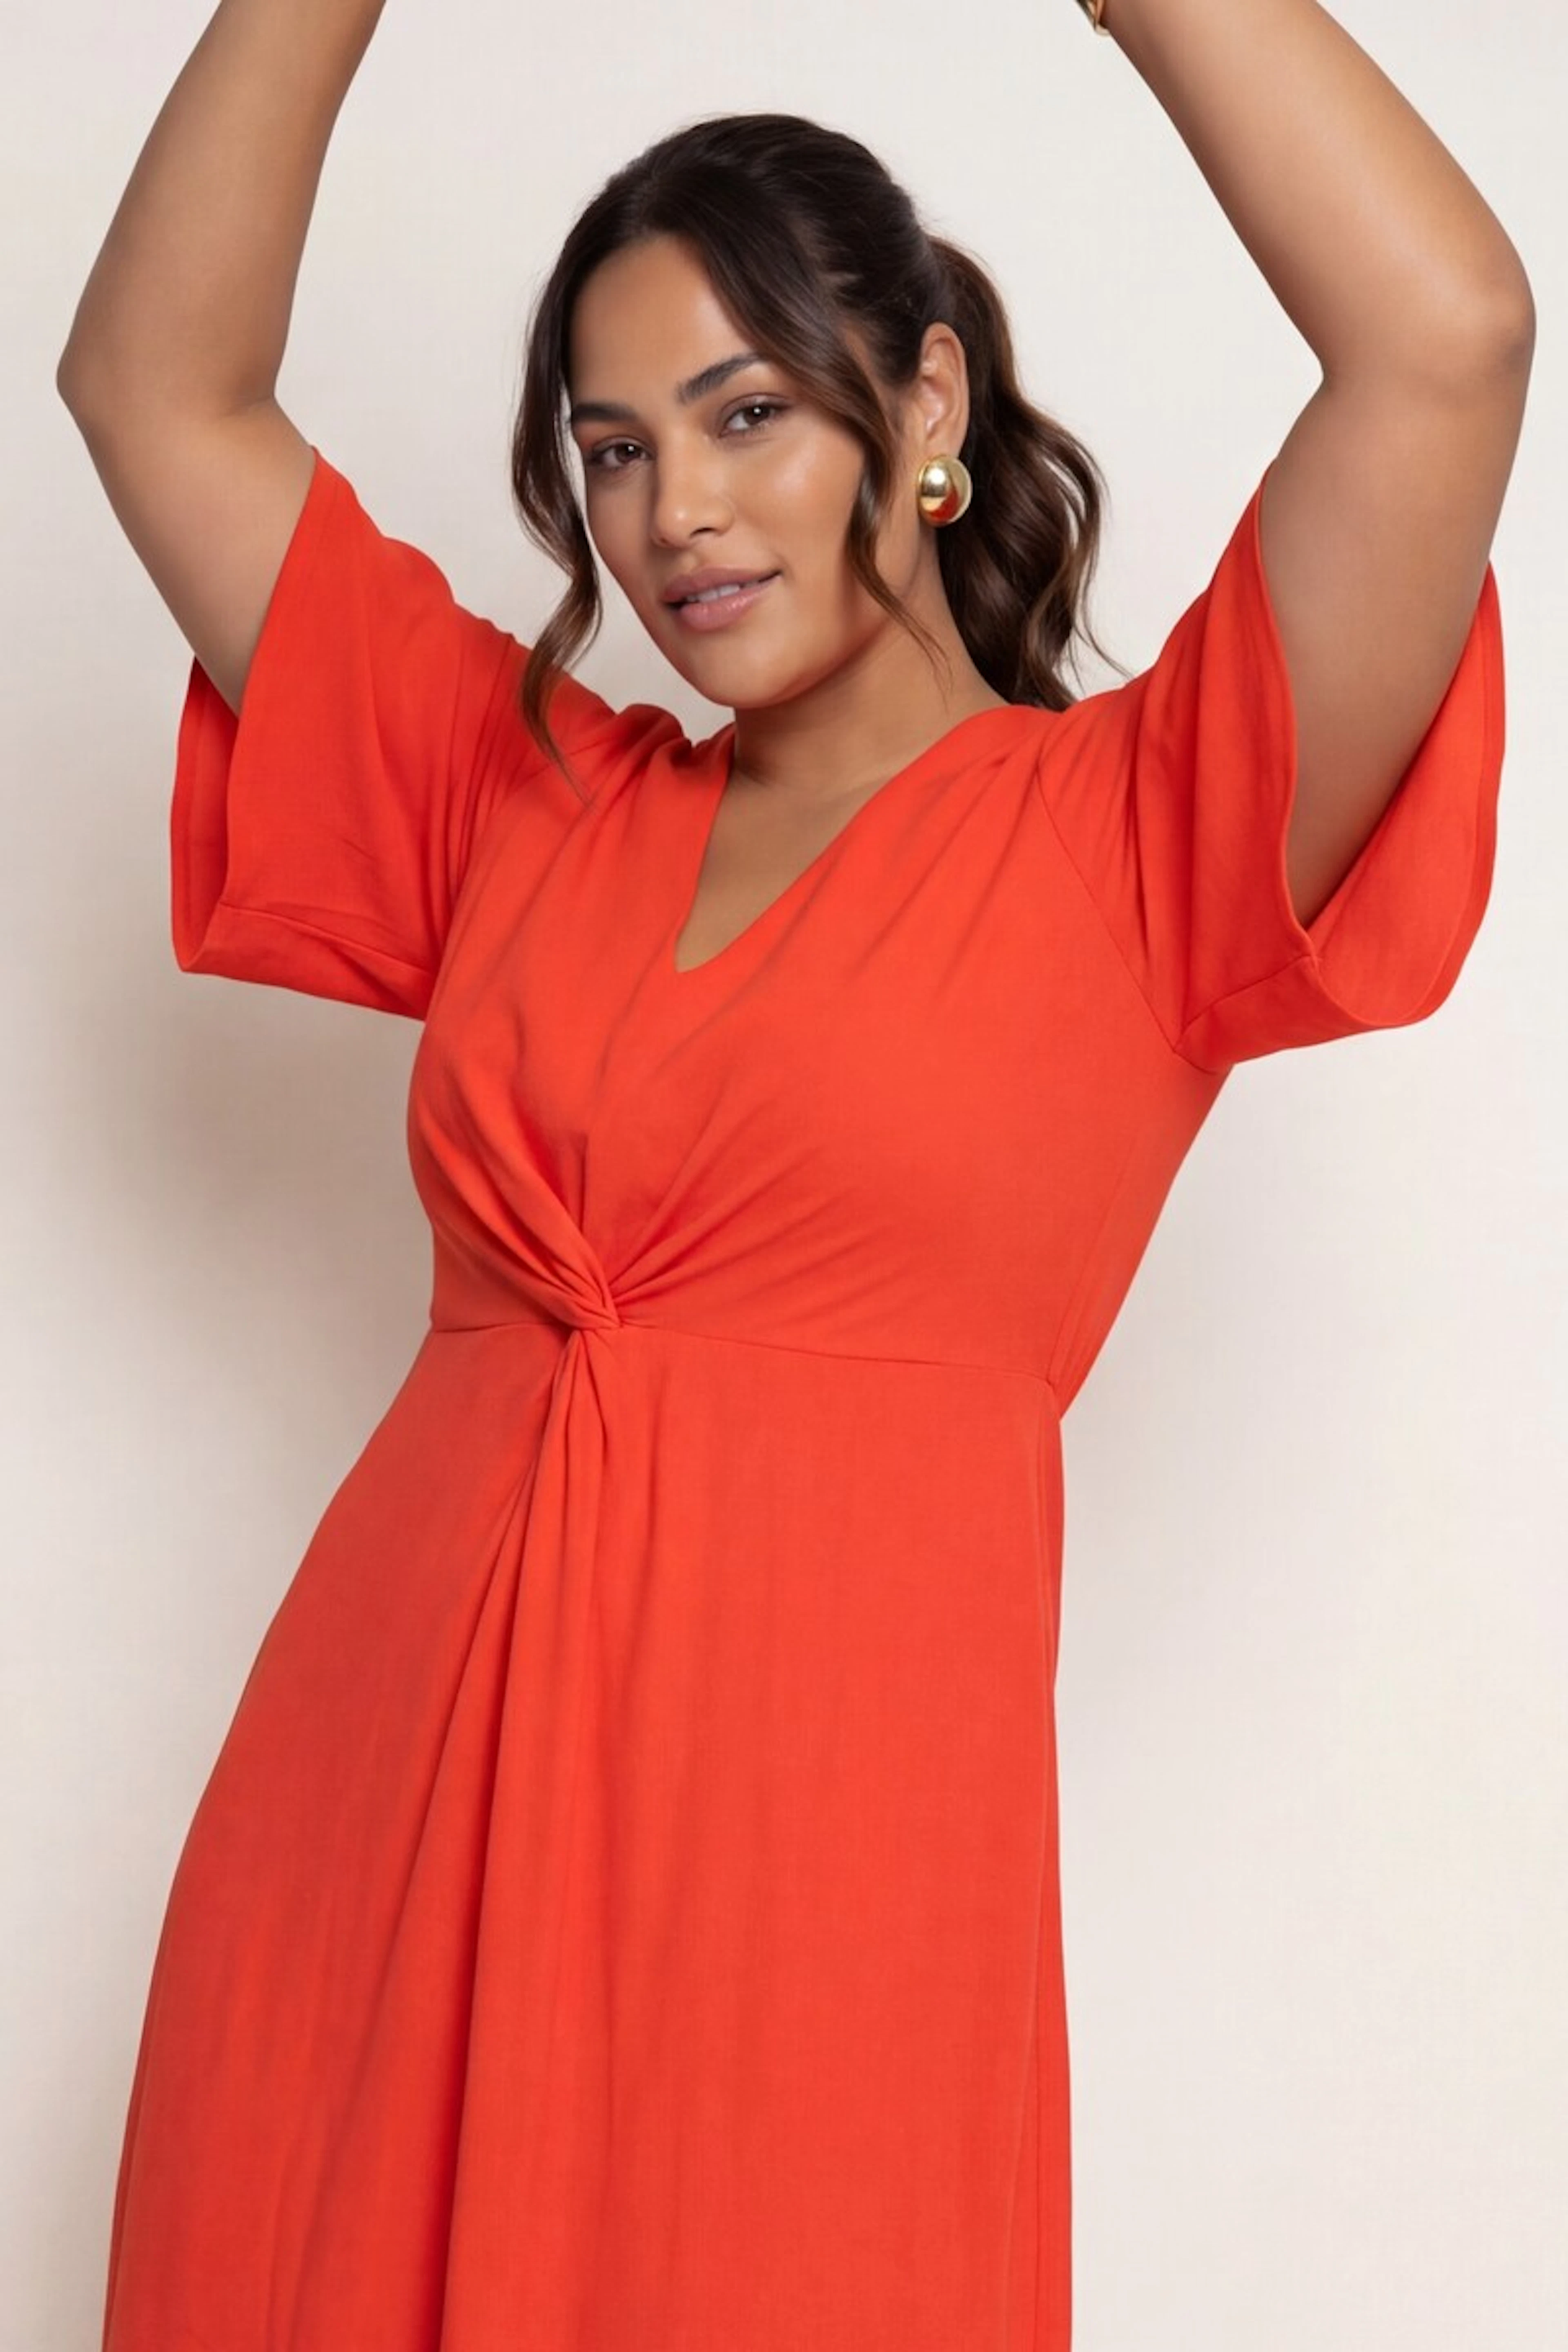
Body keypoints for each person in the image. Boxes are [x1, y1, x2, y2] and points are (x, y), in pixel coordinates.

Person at [58, 0, 1531, 2345]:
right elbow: (155, 390)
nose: (675, 514)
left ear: (924, 404)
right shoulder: (525, 801)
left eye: (746, 413)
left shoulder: (1142, 844)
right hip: (376, 1824)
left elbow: (1446, 336)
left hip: (815, 1895)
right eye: (615, 447)